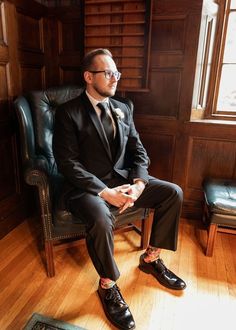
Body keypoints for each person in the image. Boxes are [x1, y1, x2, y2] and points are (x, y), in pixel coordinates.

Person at [53, 48, 186, 330]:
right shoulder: (68, 113)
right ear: (89, 77)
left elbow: (138, 151)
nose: (115, 78)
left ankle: (151, 259)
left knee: (172, 192)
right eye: (108, 73)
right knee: (101, 218)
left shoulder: (123, 108)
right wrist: (105, 192)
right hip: (86, 188)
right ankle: (108, 284)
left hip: (124, 181)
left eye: (117, 73)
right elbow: (68, 164)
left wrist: (138, 185)